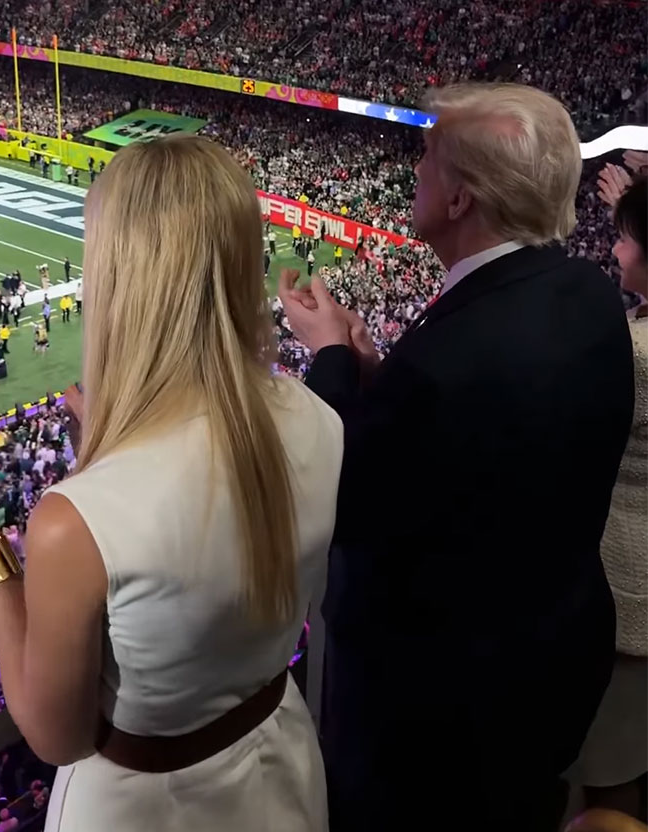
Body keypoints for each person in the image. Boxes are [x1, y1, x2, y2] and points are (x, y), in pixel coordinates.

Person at [0, 134, 343, 832]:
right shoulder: (317, 415)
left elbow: (55, 734)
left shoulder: (77, 519)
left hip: (147, 807)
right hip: (279, 763)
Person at [278, 83, 634, 832]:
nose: (416, 170)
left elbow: (344, 497)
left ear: (462, 198)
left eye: (429, 157)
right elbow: (484, 446)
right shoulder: (587, 293)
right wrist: (382, 379)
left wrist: (333, 356)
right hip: (547, 673)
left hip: (436, 722)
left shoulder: (452, 361)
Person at [574, 177, 648, 820]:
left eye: (624, 240)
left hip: (628, 598)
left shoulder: (634, 353)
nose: (616, 253)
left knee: (611, 765)